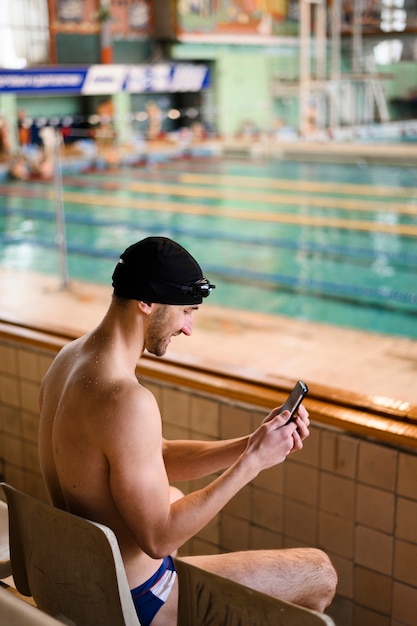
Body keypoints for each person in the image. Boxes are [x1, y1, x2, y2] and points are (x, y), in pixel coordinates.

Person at [38, 236, 337, 626]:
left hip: (76, 580)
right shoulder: (127, 399)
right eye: (186, 312)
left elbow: (152, 454)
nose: (189, 328)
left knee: (172, 491)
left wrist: (250, 443)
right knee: (319, 573)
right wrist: (253, 463)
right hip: (136, 602)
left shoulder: (69, 360)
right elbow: (159, 539)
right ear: (146, 302)